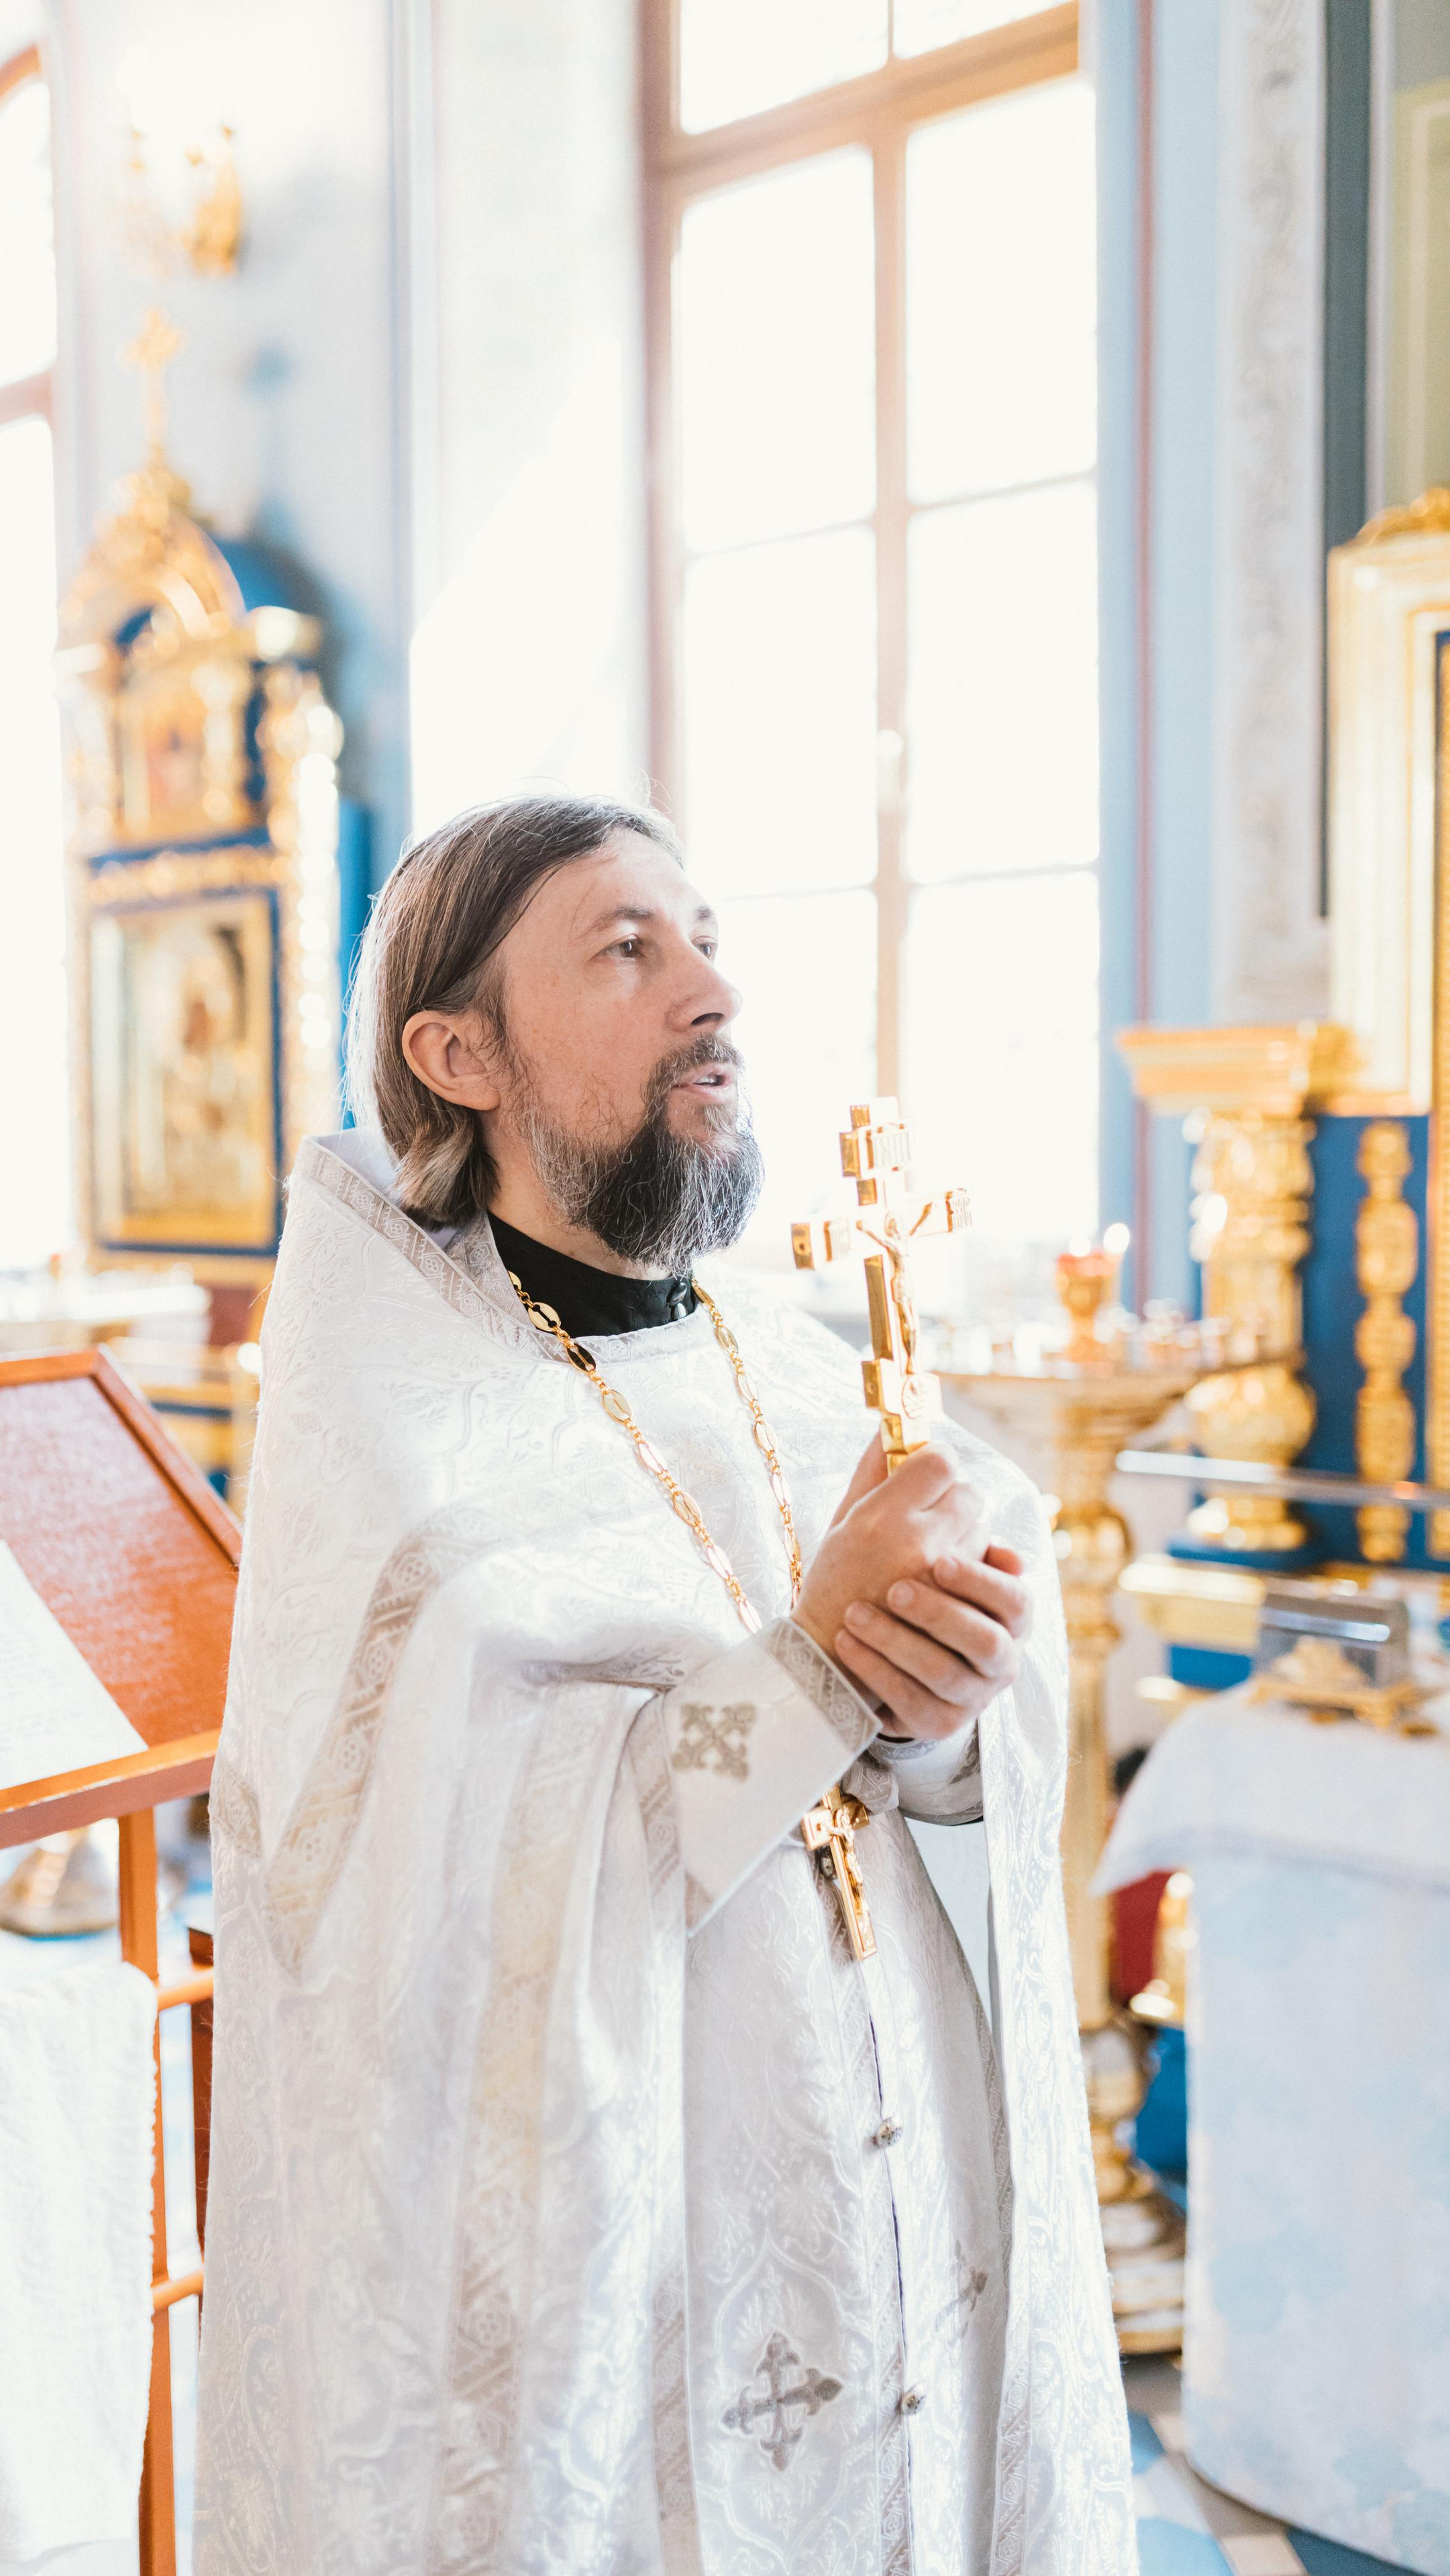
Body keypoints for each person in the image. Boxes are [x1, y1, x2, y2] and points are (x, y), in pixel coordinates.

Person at [195, 794, 1135, 2576]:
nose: (711, 987)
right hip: (632, 2256)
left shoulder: (797, 1378)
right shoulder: (406, 1460)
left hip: (898, 2177)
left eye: (703, 935)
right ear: (458, 1051)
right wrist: (809, 1665)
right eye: (628, 949)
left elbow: (938, 1772)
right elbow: (444, 1916)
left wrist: (941, 1700)